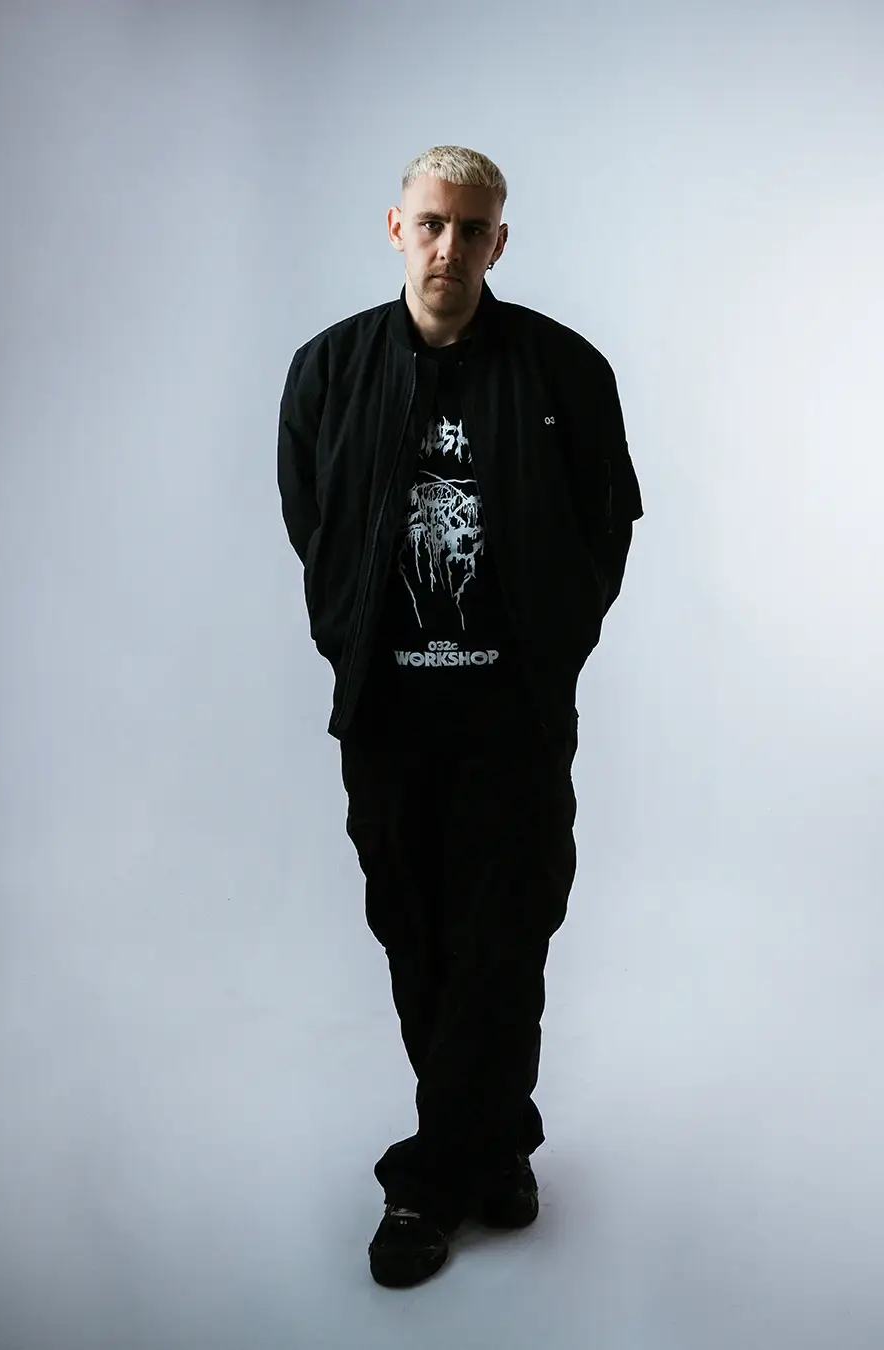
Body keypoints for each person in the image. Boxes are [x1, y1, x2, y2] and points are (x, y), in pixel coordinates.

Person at [277, 145, 643, 1288]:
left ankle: (426, 1186)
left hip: (510, 718)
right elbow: (309, 515)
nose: (450, 247)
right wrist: (350, 636)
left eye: (472, 229)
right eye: (432, 223)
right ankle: (498, 1146)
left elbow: (609, 518)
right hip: (389, 714)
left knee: (509, 930)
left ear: (499, 241)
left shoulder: (564, 370)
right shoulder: (328, 370)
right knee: (415, 929)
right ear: (396, 227)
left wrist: (552, 649)